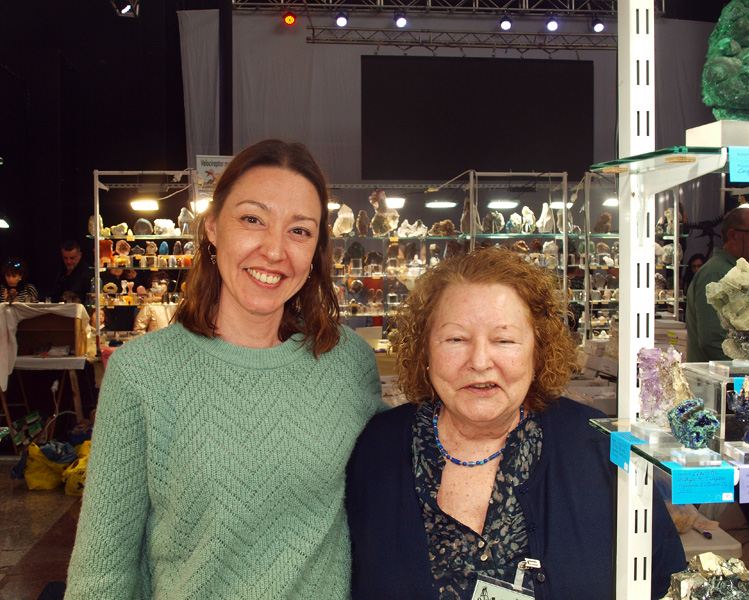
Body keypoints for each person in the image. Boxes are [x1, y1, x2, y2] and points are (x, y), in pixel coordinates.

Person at [65, 140, 384, 599]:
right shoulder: (143, 372)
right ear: (212, 228)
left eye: (300, 231)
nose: (275, 250)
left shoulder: (348, 362)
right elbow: (103, 569)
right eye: (253, 219)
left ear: (316, 249)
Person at [346, 247, 685, 600]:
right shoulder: (376, 448)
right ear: (425, 351)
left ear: (537, 351)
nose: (479, 361)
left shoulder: (599, 445)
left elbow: (664, 580)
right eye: (456, 339)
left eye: (503, 340)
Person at [686, 206, 749, 362]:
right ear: (733, 235)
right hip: (734, 383)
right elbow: (714, 340)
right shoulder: (718, 273)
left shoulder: (738, 272)